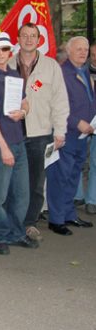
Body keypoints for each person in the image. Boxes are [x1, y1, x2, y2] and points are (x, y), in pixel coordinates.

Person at [8, 23, 69, 240]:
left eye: (33, 36)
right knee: (11, 182)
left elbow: (60, 101)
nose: (29, 39)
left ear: (39, 39)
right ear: (18, 38)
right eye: (24, 35)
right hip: (12, 133)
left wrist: (60, 130)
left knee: (35, 183)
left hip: (40, 133)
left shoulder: (51, 66)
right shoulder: (6, 64)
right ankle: (10, 222)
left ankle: (29, 223)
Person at [0, 32, 35, 255]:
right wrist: (3, 148)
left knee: (21, 194)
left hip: (19, 141)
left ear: (10, 51)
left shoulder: (14, 75)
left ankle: (16, 233)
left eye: (4, 49)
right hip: (0, 145)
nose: (1, 54)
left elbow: (25, 101)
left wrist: (23, 111)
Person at [46, 36, 95, 235]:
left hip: (83, 136)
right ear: (69, 51)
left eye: (85, 49)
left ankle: (69, 214)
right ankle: (56, 219)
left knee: (73, 177)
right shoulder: (61, 72)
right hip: (66, 133)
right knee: (60, 176)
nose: (83, 53)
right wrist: (76, 122)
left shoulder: (84, 72)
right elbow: (54, 104)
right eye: (79, 49)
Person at [74, 41, 96, 214]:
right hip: (83, 122)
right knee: (79, 160)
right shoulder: (81, 71)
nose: (95, 58)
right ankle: (78, 195)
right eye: (93, 55)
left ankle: (92, 200)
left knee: (95, 162)